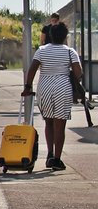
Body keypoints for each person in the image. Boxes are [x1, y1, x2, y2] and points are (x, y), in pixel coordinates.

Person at [22, 22, 81, 171]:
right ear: (65, 37)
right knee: (60, 126)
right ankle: (57, 160)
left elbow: (32, 69)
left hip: (45, 88)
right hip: (63, 89)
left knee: (48, 123)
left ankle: (49, 154)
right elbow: (78, 73)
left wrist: (28, 87)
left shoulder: (41, 50)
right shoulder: (70, 52)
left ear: (50, 36)